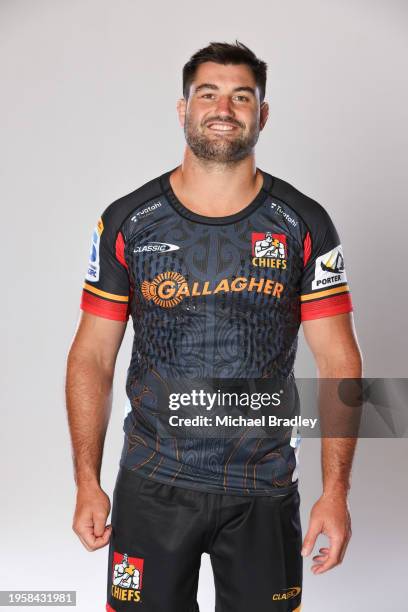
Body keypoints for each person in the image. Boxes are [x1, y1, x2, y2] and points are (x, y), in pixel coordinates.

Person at [66, 40, 362, 612]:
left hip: (264, 487)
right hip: (152, 482)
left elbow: (340, 361)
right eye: (208, 94)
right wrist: (85, 479)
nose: (223, 108)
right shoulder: (127, 220)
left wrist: (336, 492)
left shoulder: (306, 222)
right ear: (184, 110)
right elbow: (91, 357)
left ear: (262, 114)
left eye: (241, 96)